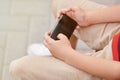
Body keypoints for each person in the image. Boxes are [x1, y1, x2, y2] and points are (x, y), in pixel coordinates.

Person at [9, 0, 120, 80]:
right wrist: (87, 17)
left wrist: (67, 54)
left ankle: (62, 59)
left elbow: (116, 72)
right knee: (62, 4)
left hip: (112, 66)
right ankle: (58, 58)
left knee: (19, 68)